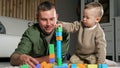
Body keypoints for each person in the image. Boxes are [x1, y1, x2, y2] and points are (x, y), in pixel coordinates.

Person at [10, 1, 70, 68]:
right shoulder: (30, 32)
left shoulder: (63, 32)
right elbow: (13, 58)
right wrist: (21, 58)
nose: (48, 24)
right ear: (37, 18)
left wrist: (33, 61)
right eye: (44, 19)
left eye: (52, 19)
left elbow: (56, 58)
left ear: (56, 17)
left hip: (62, 59)